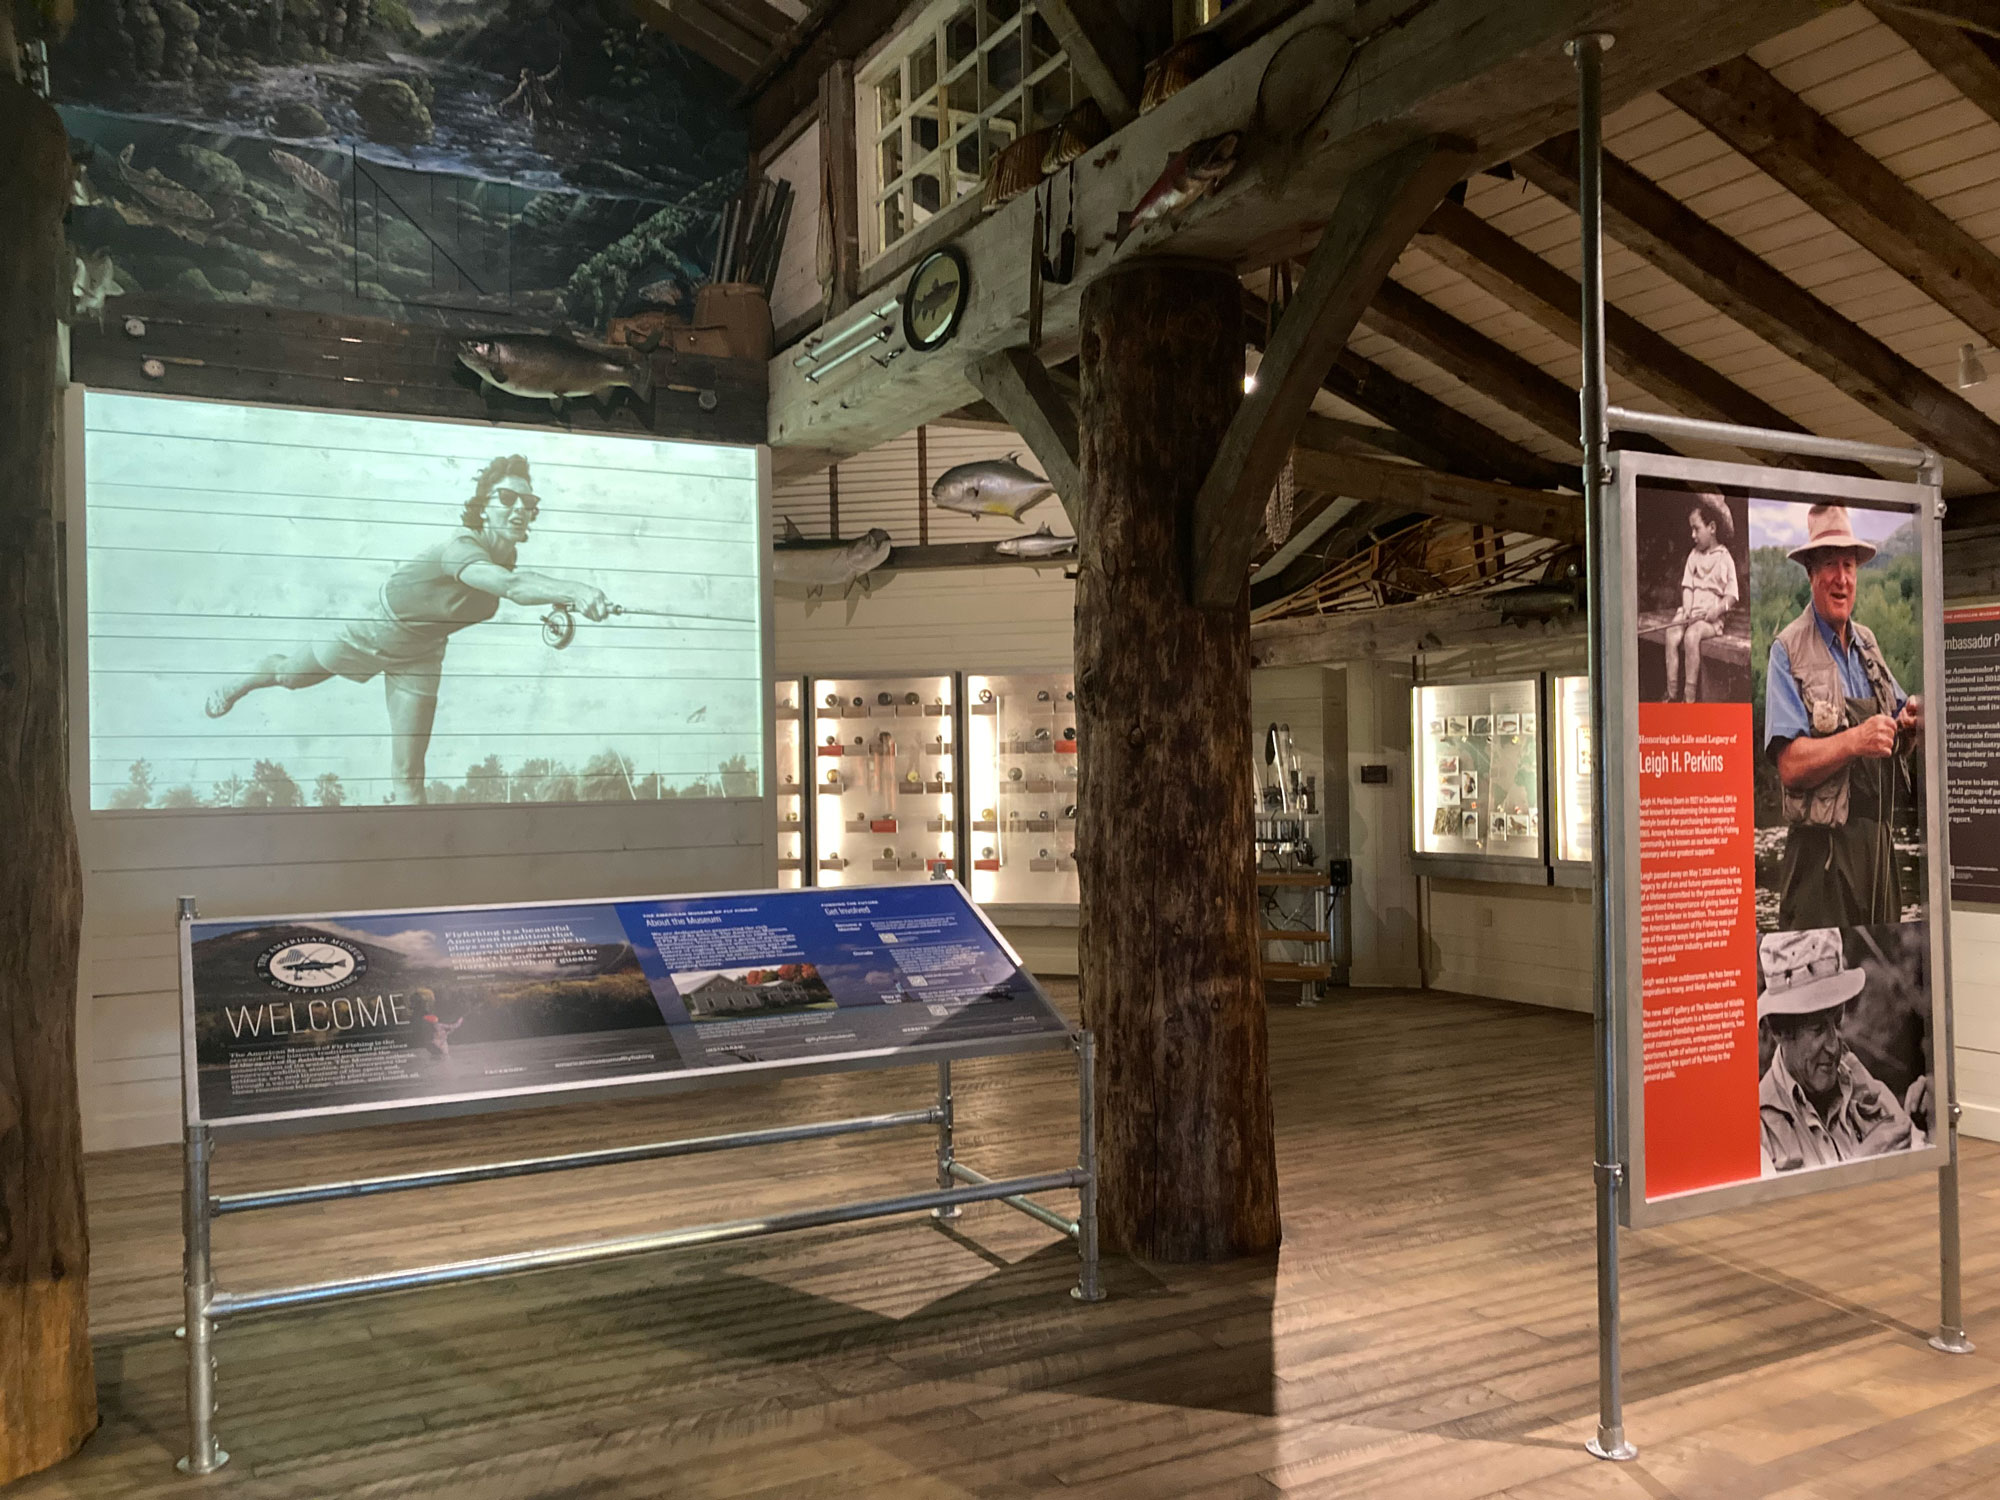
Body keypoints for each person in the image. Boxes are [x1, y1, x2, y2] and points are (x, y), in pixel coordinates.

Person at [203, 457, 611, 804]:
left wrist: (568, 600)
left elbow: (518, 582)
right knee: (290, 675)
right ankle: (242, 682)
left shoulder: (509, 559)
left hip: (424, 651)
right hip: (375, 627)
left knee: (409, 774)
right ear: (483, 507)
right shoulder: (463, 547)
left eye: (529, 501)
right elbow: (512, 587)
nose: (519, 507)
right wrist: (575, 588)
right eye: (507, 498)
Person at [1762, 504, 1920, 929]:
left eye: (1848, 565)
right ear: (1811, 573)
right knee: (1820, 990)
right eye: (1830, 564)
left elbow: (1899, 719)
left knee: (1882, 981)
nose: (1842, 577)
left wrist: (1910, 720)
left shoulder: (1868, 643)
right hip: (1821, 860)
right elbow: (1791, 767)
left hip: (1877, 854)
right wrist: (1855, 741)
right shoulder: (1787, 650)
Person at [1758, 928, 1921, 1174]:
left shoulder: (1863, 1086)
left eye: (1836, 1021)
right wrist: (1863, 1162)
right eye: (1817, 1030)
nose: (1834, 1046)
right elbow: (1776, 1209)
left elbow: (1917, 1153)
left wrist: (1923, 1122)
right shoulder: (1758, 1128)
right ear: (1779, 1031)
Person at [1662, 493, 1738, 702]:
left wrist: (1716, 610)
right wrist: (1686, 609)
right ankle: (1671, 691)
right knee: (1671, 634)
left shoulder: (1724, 558)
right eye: (1691, 530)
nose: (1693, 535)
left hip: (1709, 620)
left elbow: (1731, 595)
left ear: (1712, 528)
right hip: (1690, 614)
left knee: (1692, 636)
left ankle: (1689, 696)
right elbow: (1687, 586)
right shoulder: (1693, 556)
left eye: (1697, 528)